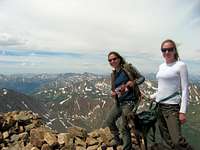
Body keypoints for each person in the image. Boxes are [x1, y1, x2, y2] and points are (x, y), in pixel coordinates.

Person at [152, 39, 193, 150]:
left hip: (172, 108)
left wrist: (182, 111)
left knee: (177, 141)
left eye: (170, 49)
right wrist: (152, 96)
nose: (167, 52)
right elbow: (162, 88)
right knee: (167, 141)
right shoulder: (161, 66)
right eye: (164, 50)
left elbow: (184, 89)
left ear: (175, 50)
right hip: (159, 106)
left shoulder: (180, 65)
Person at [102, 51, 145, 150]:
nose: (112, 61)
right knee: (109, 121)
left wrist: (133, 83)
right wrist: (113, 93)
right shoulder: (113, 74)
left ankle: (127, 147)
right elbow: (115, 89)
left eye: (114, 59)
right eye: (110, 60)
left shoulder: (127, 68)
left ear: (119, 59)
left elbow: (142, 78)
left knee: (123, 126)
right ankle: (117, 139)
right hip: (119, 102)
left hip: (130, 101)